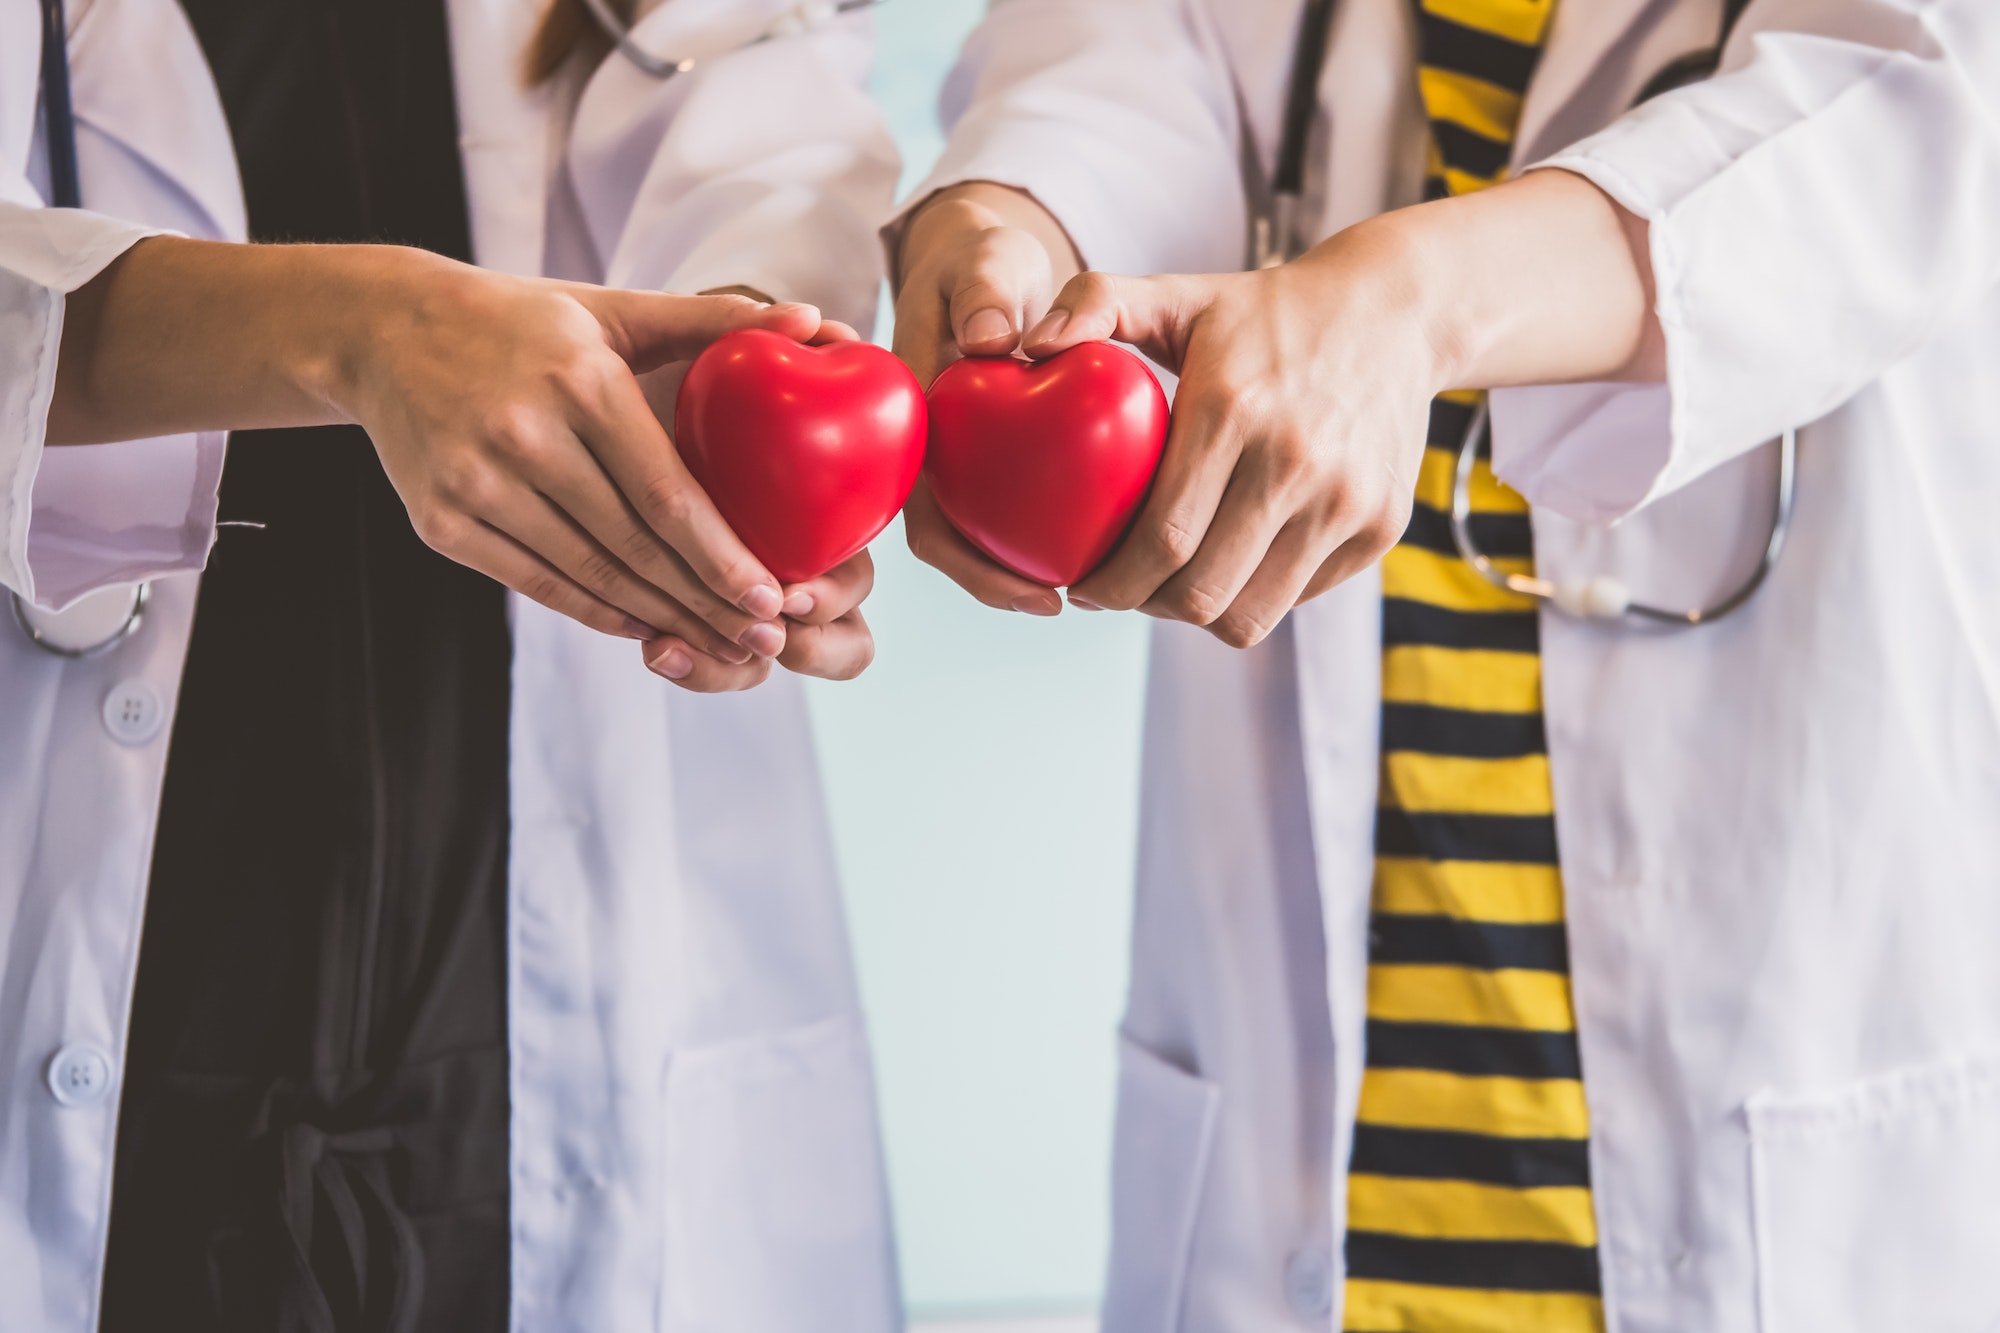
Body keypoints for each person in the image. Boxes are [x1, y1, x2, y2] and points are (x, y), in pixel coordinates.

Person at [891, 0, 2000, 1329]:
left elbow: (1903, 105)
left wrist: (1403, 300)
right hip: (1316, 1195)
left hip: (1780, 1125)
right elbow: (1118, 60)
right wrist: (1007, 232)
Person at [1, 1, 902, 1329]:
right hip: (122, 988)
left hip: (521, 1008)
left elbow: (762, 97)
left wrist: (749, 395)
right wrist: (367, 329)